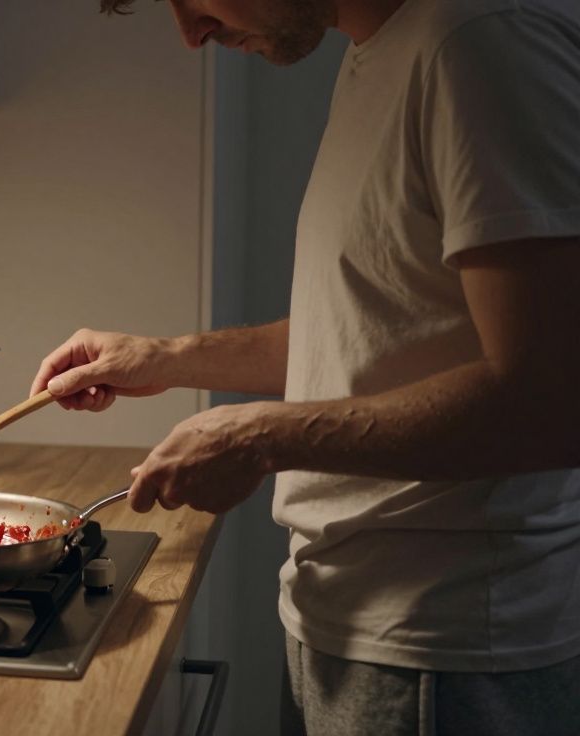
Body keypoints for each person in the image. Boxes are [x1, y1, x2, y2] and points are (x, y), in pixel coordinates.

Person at [31, 0, 580, 733]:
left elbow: (552, 395)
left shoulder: (482, 40)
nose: (191, 33)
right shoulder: (381, 51)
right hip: (346, 618)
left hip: (440, 652)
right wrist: (166, 357)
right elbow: (370, 330)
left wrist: (263, 437)